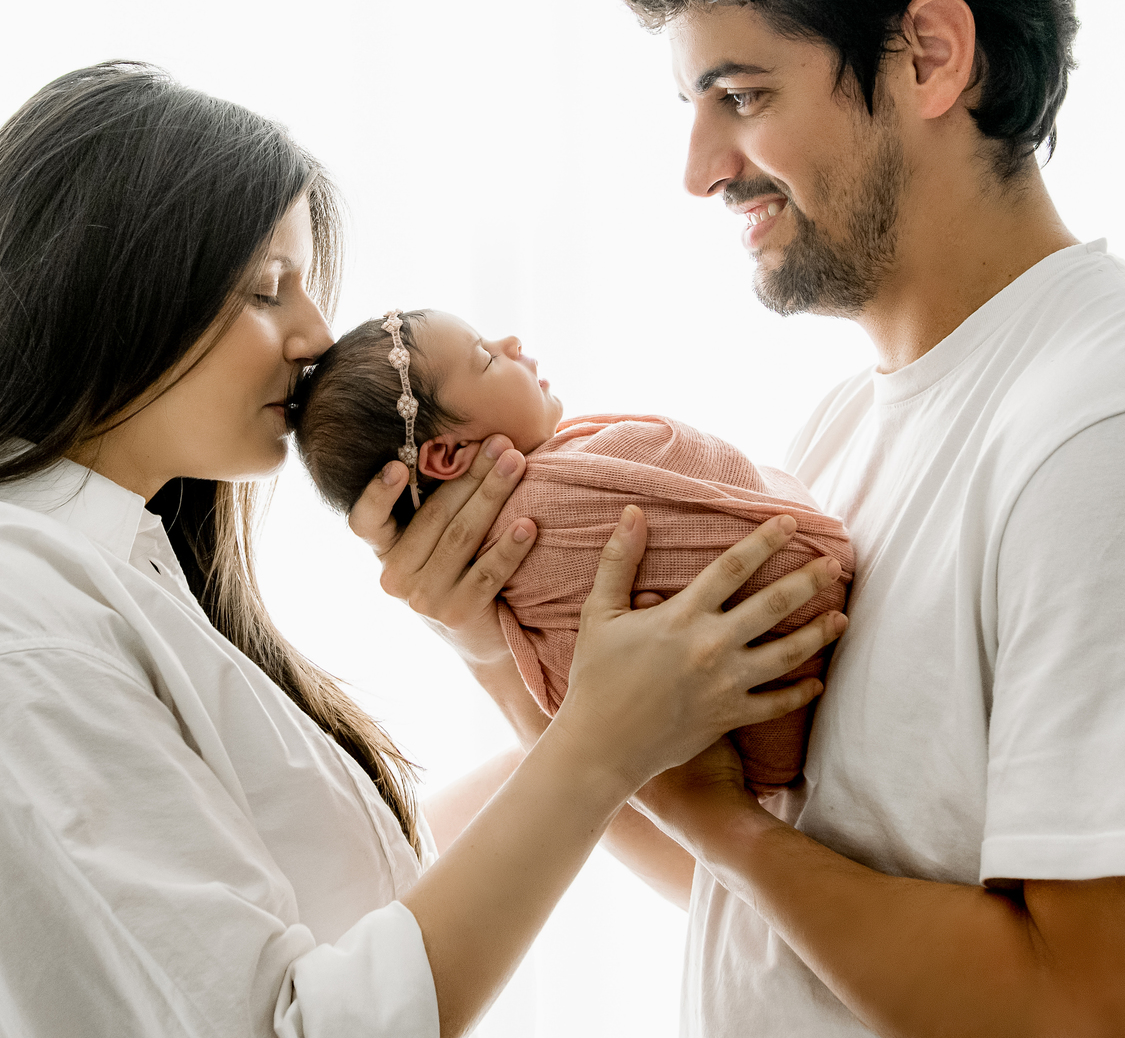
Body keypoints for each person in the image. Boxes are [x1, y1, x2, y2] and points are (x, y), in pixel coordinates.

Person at [354, 0, 1125, 1035]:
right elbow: (766, 915)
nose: (697, 169)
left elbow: (1101, 1007)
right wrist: (497, 651)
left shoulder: (1109, 426)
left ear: (929, 57)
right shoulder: (845, 434)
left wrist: (728, 826)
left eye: (740, 95)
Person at [0, 61, 850, 1038]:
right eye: (269, 288)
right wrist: (597, 741)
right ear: (117, 286)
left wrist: (501, 657)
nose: (312, 336)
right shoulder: (10, 620)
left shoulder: (125, 574)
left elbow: (346, 910)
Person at [288, 307, 854, 792]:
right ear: (446, 457)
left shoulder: (510, 560)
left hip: (762, 750)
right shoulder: (541, 516)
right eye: (485, 358)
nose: (509, 343)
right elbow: (716, 479)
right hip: (805, 613)